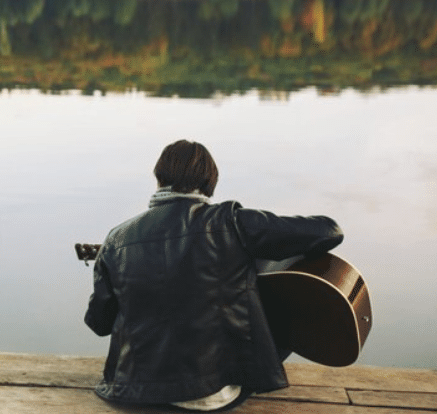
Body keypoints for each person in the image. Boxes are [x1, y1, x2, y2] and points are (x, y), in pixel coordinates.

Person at [84, 140, 343, 411]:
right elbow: (329, 230)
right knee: (273, 297)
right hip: (212, 395)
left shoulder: (118, 237)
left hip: (132, 393)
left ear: (159, 178)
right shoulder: (232, 222)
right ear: (210, 182)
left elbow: (99, 323)